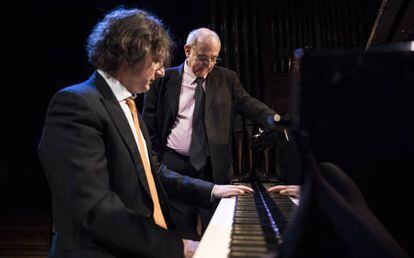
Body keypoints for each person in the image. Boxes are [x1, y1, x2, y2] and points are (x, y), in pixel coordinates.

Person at [37, 8, 253, 258]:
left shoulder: (129, 106)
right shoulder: (76, 104)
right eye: (156, 61)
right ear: (129, 55)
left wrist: (212, 190)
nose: (162, 71)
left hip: (144, 244)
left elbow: (153, 172)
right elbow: (95, 210)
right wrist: (178, 247)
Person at [142, 28, 284, 235]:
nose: (208, 65)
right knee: (181, 232)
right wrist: (157, 159)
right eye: (203, 57)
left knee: (215, 231)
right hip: (173, 164)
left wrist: (278, 122)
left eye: (214, 59)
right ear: (187, 50)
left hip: (212, 167)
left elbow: (249, 104)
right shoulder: (163, 78)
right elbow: (149, 124)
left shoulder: (227, 79)